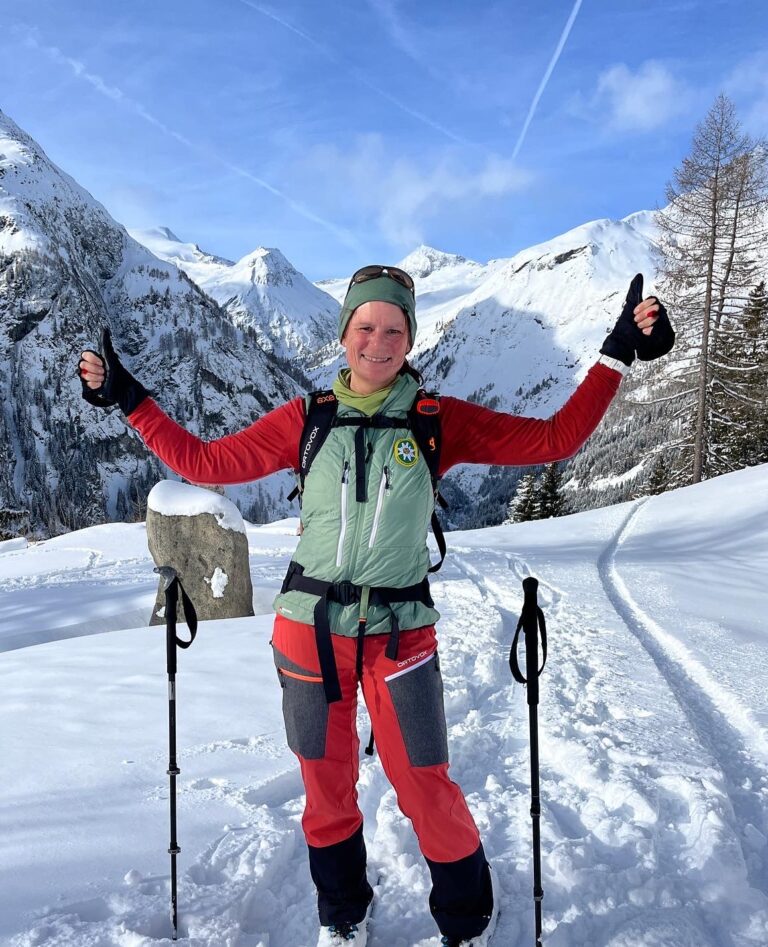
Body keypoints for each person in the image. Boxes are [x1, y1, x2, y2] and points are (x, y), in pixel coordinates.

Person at [79, 265, 673, 947]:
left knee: (426, 785)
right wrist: (126, 395)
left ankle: (467, 914)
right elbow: (205, 462)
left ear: (410, 338)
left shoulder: (435, 421)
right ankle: (342, 914)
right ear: (345, 334)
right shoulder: (307, 421)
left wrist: (617, 351)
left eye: (394, 328)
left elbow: (553, 439)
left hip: (401, 636)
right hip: (308, 631)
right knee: (326, 790)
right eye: (366, 326)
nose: (379, 340)